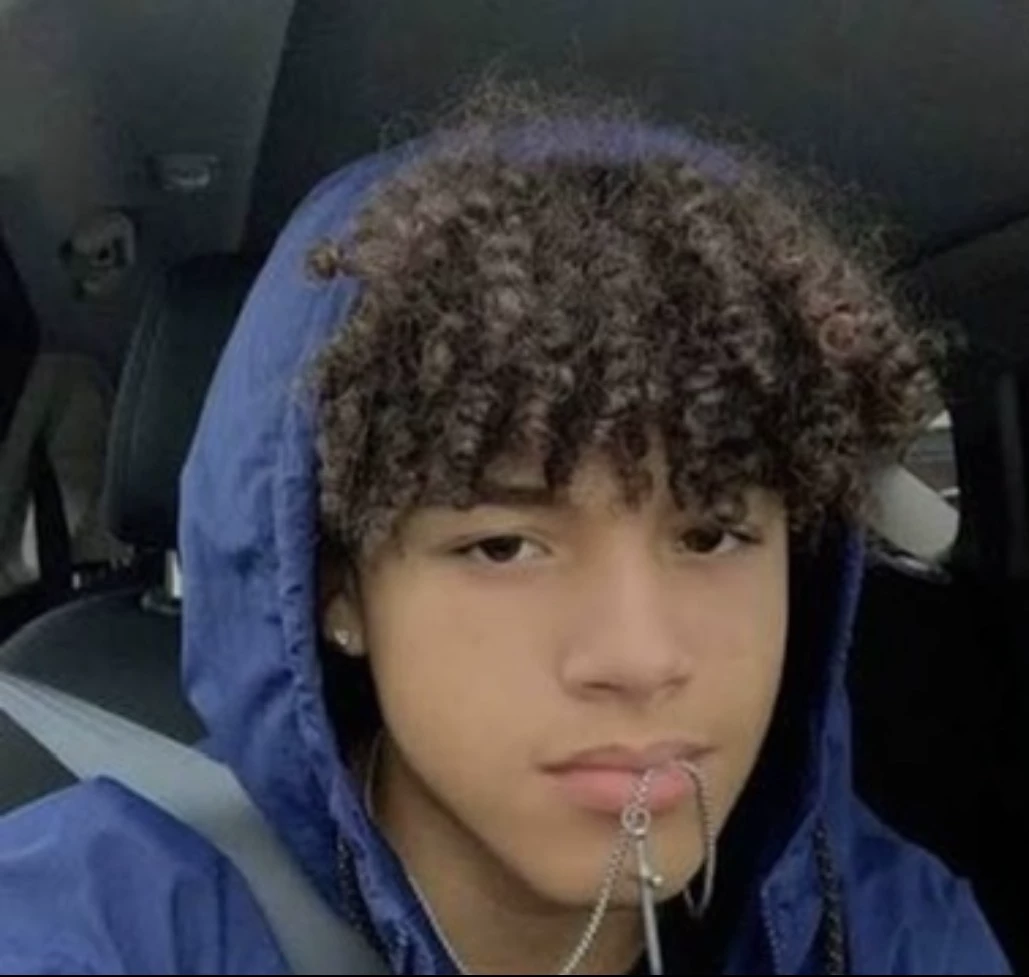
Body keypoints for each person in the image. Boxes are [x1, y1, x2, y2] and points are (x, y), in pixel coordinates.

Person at [0, 87, 1011, 975]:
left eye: (711, 535)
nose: (640, 656)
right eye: (503, 545)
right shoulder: (93, 926)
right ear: (337, 587)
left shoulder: (885, 929)